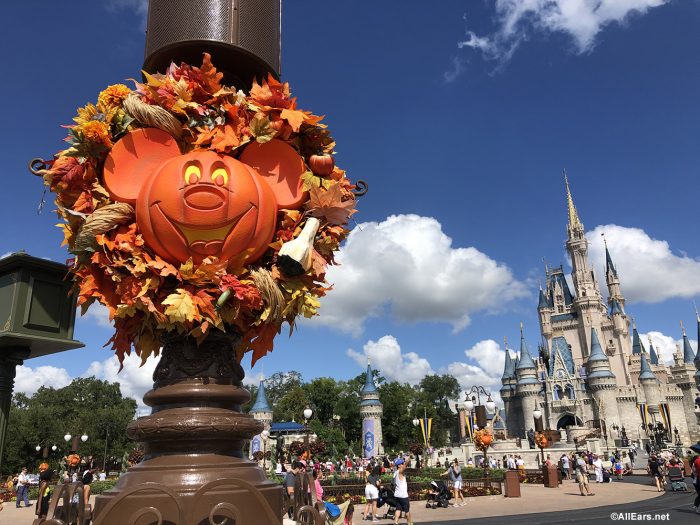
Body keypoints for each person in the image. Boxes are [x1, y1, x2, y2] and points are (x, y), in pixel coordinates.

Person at [393, 458, 413, 525]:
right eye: (401, 464)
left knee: (398, 509)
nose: (402, 464)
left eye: (402, 463)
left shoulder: (395, 473)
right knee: (407, 510)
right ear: (398, 465)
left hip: (397, 495)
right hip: (403, 495)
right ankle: (409, 522)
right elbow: (405, 466)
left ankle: (396, 522)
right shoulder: (399, 472)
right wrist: (409, 459)